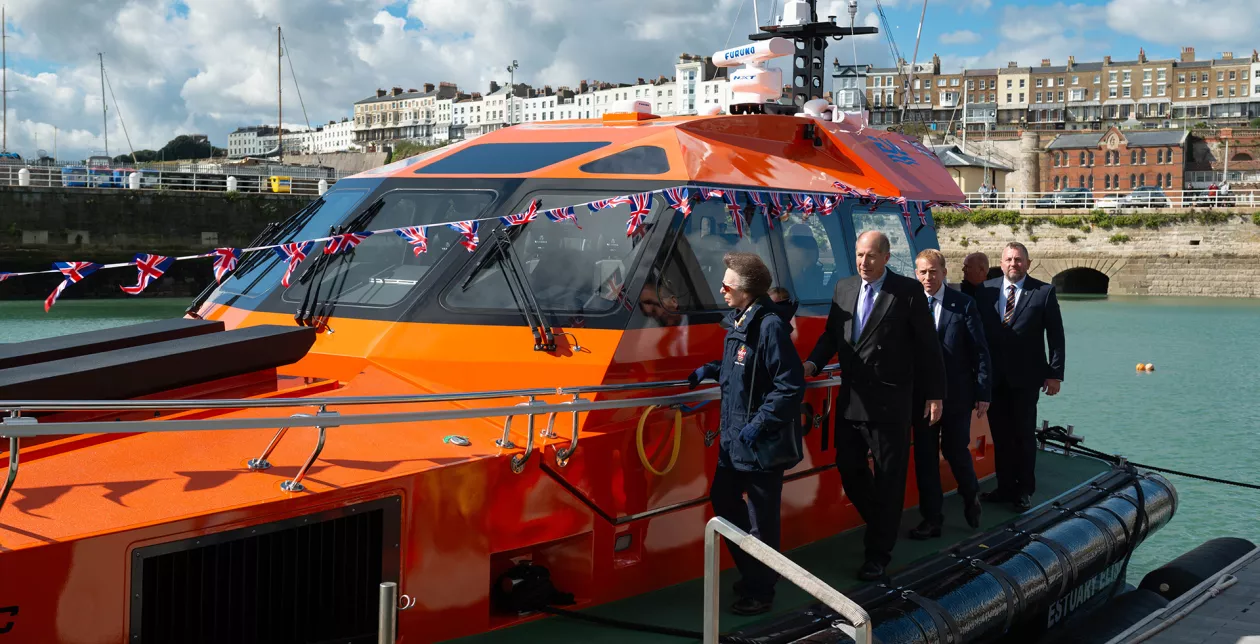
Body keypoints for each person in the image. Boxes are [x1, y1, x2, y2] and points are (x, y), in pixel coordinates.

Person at [803, 231, 945, 581]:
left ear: (885, 257)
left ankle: (877, 554)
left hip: (891, 401)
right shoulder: (845, 288)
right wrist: (811, 364)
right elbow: (831, 336)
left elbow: (928, 347)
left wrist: (934, 395)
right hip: (852, 399)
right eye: (859, 255)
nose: (863, 263)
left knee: (889, 479)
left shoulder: (908, 292)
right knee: (848, 467)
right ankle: (883, 522)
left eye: (870, 256)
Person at [688, 252, 805, 616]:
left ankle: (761, 589)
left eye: (727, 285)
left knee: (760, 520)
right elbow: (741, 366)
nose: (721, 289)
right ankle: (755, 572)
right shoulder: (740, 321)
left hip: (757, 443)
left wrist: (758, 425)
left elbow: (789, 385)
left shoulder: (769, 326)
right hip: (733, 440)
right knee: (723, 501)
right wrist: (709, 369)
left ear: (746, 290)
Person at [974, 242, 1065, 512]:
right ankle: (1004, 488)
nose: (1014, 264)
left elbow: (1056, 336)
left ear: (1028, 262)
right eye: (1009, 260)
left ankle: (1024, 490)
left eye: (1018, 260)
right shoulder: (985, 292)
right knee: (999, 435)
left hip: (1026, 378)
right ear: (1001, 264)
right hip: (994, 378)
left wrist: (1054, 374)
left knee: (1024, 435)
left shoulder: (1043, 292)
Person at [908, 250, 991, 540]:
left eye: (933, 272)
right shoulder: (909, 304)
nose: (928, 278)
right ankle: (932, 519)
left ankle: (971, 495)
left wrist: (983, 391)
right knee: (925, 457)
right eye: (922, 272)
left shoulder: (963, 304)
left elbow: (980, 351)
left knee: (956, 451)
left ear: (944, 272)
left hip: (956, 394)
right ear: (916, 274)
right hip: (920, 396)